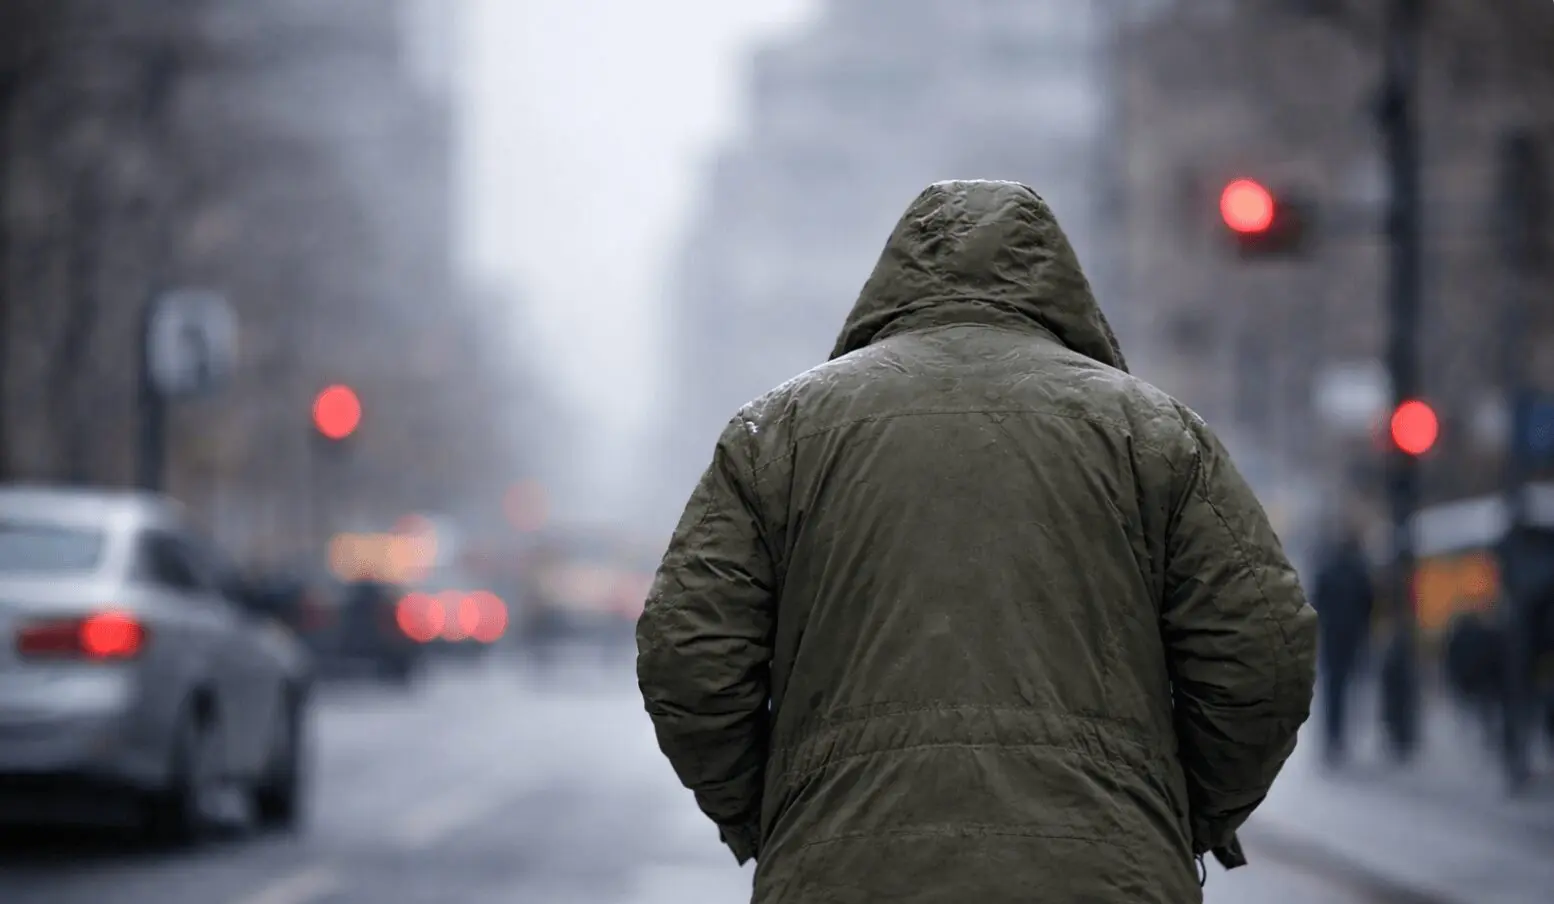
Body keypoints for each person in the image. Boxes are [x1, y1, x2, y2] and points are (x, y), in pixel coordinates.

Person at [636, 181, 1319, 903]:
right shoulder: (1154, 435)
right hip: (1107, 876)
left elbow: (688, 656)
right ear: (1059, 285)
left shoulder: (776, 435)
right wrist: (1176, 812)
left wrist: (776, 813)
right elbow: (1264, 654)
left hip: (844, 874)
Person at [1309, 518, 1375, 767]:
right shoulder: (1359, 570)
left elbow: (1316, 602)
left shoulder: (1328, 569)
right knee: (1346, 688)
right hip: (1352, 638)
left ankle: (1331, 739)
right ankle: (1339, 738)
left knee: (1333, 690)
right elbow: (1368, 602)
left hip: (1331, 638)